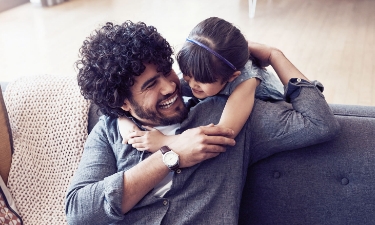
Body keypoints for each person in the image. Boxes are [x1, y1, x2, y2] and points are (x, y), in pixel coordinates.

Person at [65, 20, 340, 224]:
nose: (170, 87)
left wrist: (274, 56)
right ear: (123, 102)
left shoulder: (228, 116)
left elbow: (319, 123)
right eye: (151, 85)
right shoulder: (111, 129)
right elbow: (79, 212)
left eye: (166, 71)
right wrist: (169, 156)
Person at [118, 17, 284, 152]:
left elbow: (225, 133)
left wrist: (166, 141)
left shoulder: (245, 83)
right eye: (188, 75)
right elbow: (119, 98)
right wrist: (123, 118)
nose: (192, 85)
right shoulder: (202, 70)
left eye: (202, 82)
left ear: (232, 77)